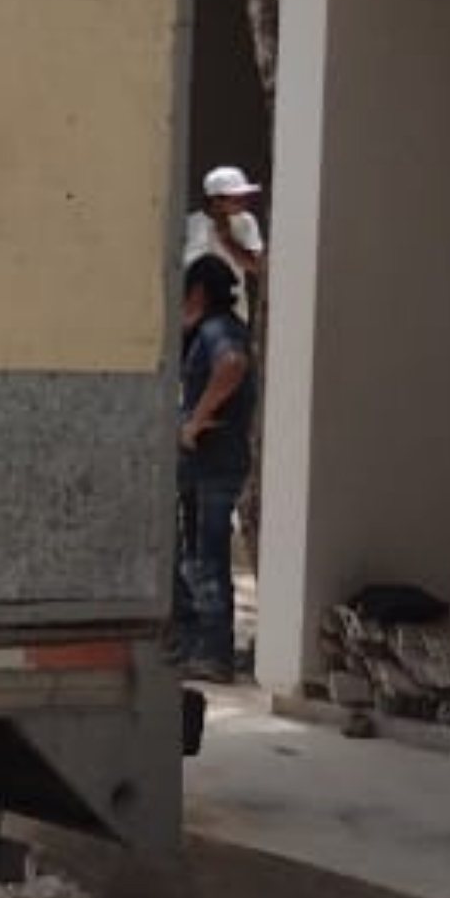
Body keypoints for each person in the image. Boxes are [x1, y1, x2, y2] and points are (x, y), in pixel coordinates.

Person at [175, 253, 257, 683]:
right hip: (210, 461)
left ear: (198, 291)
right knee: (198, 555)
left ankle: (213, 653)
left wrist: (196, 419)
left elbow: (232, 365)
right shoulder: (214, 329)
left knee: (206, 558)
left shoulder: (218, 329)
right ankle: (202, 646)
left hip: (212, 462)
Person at [182, 166, 266, 300]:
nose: (244, 203)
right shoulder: (188, 225)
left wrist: (227, 240)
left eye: (245, 198)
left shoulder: (246, 221)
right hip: (196, 308)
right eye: (237, 199)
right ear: (216, 200)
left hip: (233, 306)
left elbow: (256, 267)